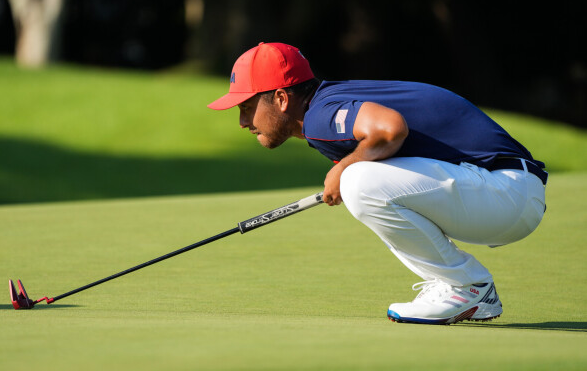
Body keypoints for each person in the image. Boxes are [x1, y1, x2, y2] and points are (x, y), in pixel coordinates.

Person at [208, 42, 548, 325]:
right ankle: (457, 285)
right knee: (362, 181)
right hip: (504, 191)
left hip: (506, 190)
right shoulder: (325, 105)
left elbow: (390, 129)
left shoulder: (320, 114)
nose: (241, 121)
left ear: (281, 99)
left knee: (359, 181)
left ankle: (466, 287)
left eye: (247, 107)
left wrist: (344, 167)